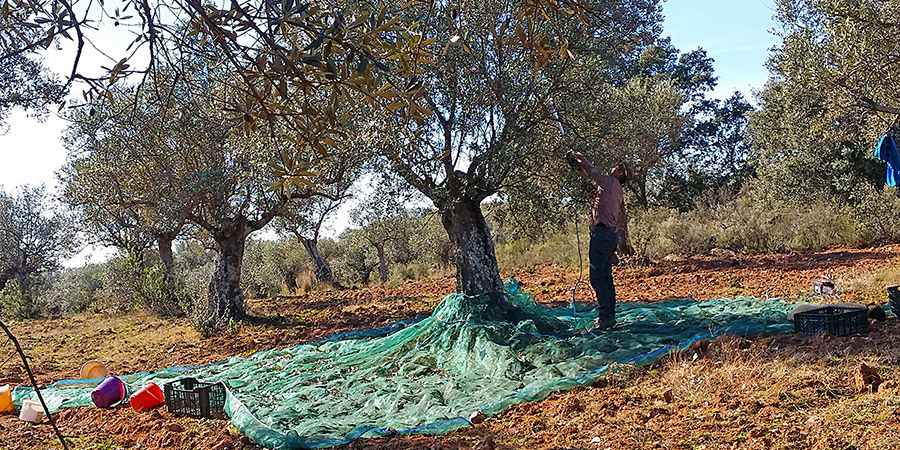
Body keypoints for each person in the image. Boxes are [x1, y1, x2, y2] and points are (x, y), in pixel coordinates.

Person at [574, 152, 630, 330]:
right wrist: (581, 170)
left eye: (618, 166)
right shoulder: (615, 189)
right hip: (610, 235)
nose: (614, 167)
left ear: (619, 173)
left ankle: (605, 318)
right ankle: (608, 317)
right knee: (606, 277)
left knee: (598, 277)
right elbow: (590, 182)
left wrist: (581, 158)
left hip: (602, 234)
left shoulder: (610, 182)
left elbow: (594, 172)